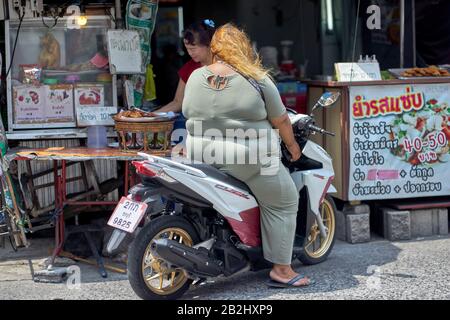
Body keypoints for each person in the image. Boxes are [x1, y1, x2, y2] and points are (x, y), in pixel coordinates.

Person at [182, 23, 311, 288]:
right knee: (284, 200)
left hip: (198, 154)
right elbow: (282, 120)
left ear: (215, 48)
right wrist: (294, 148)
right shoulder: (257, 79)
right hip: (247, 158)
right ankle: (282, 270)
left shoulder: (196, 76)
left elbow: (187, 111)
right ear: (244, 47)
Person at [157, 19, 216, 113]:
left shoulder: (225, 66)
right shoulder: (189, 67)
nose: (189, 53)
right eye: (187, 49)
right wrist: (152, 115)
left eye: (193, 49)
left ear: (208, 44)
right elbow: (178, 102)